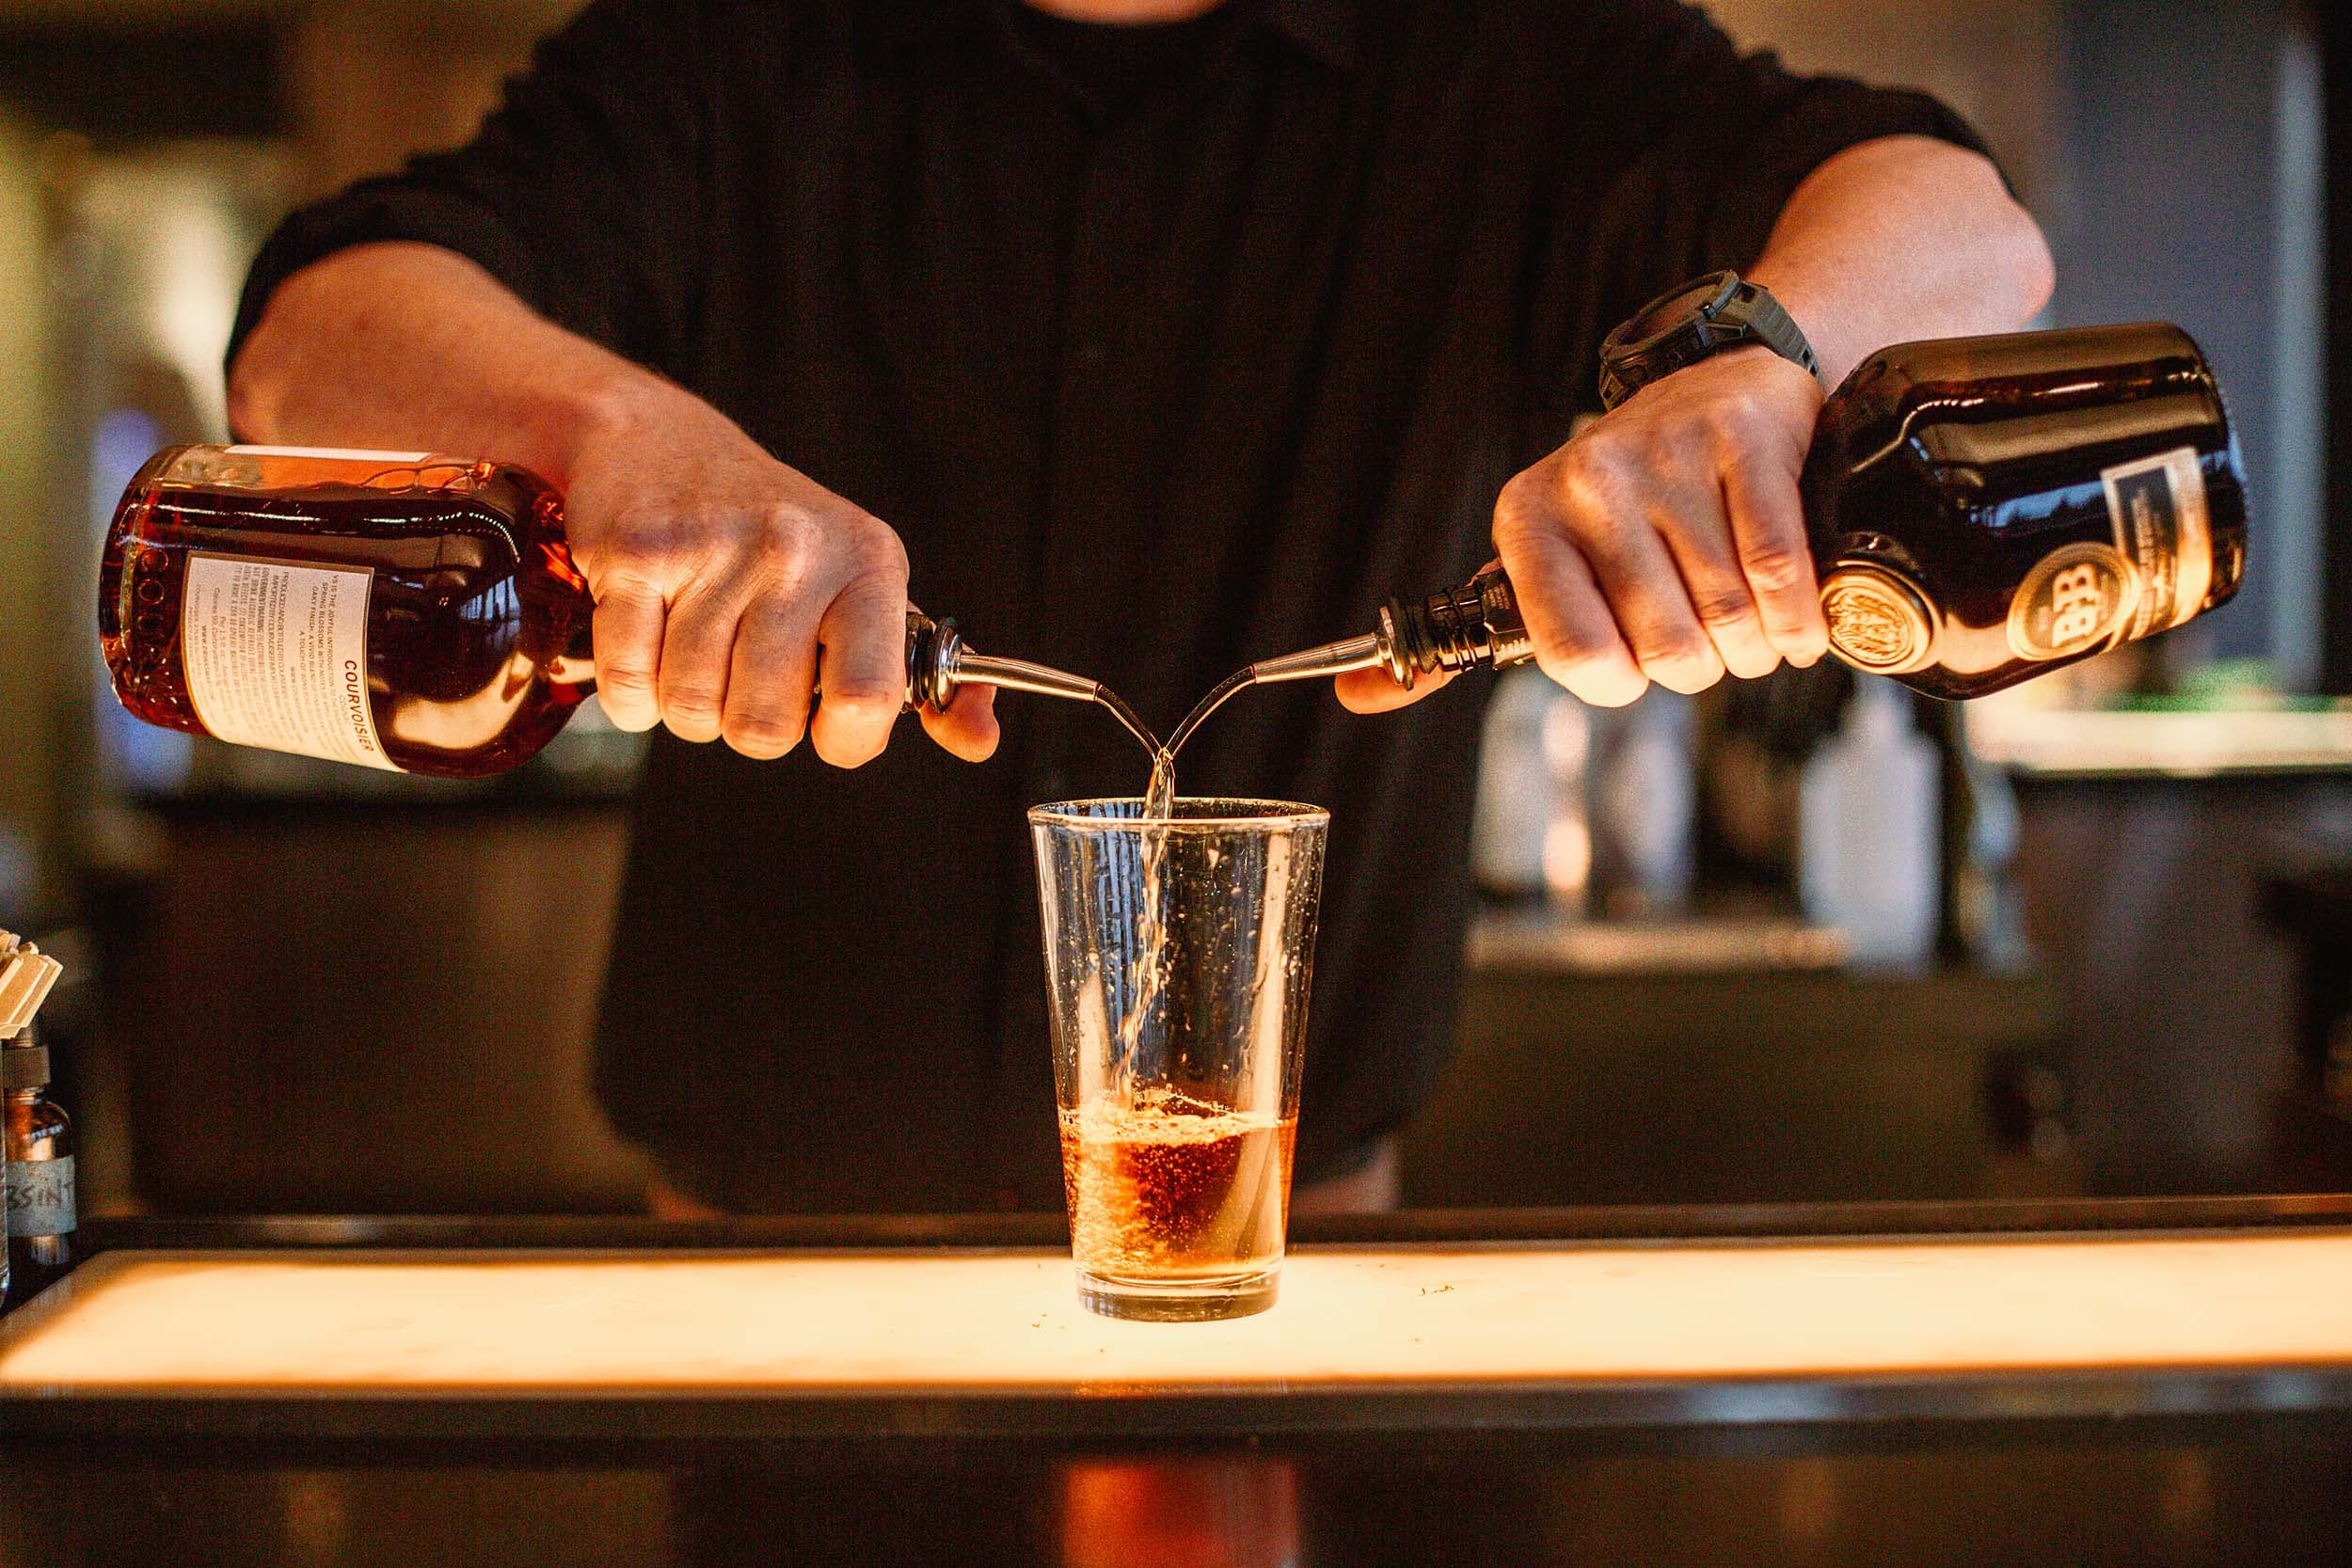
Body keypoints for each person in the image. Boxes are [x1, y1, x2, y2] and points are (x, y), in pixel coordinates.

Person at [226, 0, 2052, 1215]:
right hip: (752, 1259)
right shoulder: (733, 45)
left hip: (1288, 1243)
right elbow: (307, 341)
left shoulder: (1511, 54)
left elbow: (1964, 220)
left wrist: (1754, 369)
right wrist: (612, 442)